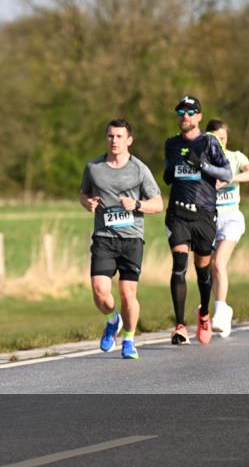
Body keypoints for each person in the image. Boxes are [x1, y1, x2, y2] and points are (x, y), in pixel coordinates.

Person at [80, 119, 163, 359]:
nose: (114, 141)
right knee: (100, 290)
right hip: (104, 237)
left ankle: (129, 339)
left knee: (128, 294)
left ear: (129, 140)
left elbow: (158, 204)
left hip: (131, 239)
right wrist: (87, 203)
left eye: (119, 136)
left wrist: (136, 204)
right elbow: (83, 194)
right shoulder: (93, 167)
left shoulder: (139, 169)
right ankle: (112, 319)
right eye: (110, 136)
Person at [163, 96, 232, 345]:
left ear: (199, 116)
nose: (185, 116)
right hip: (178, 213)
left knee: (203, 269)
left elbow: (227, 172)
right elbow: (168, 174)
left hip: (204, 212)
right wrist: (170, 172)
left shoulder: (210, 142)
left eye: (191, 112)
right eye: (181, 111)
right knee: (179, 264)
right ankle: (180, 325)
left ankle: (203, 312)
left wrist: (202, 164)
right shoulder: (171, 144)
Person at [205, 120, 249, 337]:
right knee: (208, 268)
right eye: (216, 138)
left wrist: (230, 178)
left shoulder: (235, 157)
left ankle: (219, 310)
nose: (220, 142)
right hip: (208, 218)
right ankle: (223, 310)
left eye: (223, 138)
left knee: (219, 263)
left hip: (230, 217)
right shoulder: (203, 160)